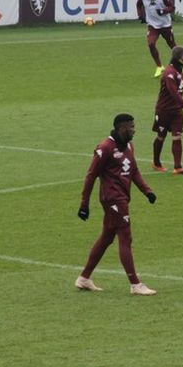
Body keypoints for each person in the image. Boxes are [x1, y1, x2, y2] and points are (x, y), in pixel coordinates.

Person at [75, 113, 158, 296]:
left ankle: (84, 278)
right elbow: (91, 176)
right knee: (125, 237)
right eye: (131, 127)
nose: (134, 130)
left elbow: (133, 170)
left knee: (107, 237)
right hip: (112, 199)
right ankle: (135, 284)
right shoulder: (105, 148)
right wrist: (84, 204)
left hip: (121, 198)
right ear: (121, 128)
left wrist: (147, 191)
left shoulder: (128, 146)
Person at [152, 45, 183, 175]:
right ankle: (156, 163)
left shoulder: (181, 71)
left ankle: (178, 167)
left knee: (177, 137)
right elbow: (175, 94)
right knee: (161, 136)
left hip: (177, 110)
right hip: (164, 110)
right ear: (180, 58)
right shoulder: (169, 74)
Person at [136, 0, 176, 78]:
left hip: (165, 25)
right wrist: (140, 16)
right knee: (151, 44)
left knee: (172, 46)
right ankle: (159, 66)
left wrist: (163, 11)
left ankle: (178, 65)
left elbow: (172, 7)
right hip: (152, 25)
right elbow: (138, 5)